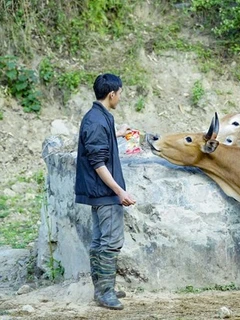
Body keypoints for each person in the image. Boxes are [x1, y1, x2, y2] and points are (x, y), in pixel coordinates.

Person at [75, 73, 136, 310]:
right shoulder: (97, 121)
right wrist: (119, 191)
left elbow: (98, 143)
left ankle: (102, 288)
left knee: (100, 241)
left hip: (99, 191)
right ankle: (105, 292)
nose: (120, 97)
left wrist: (117, 133)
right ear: (112, 94)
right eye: (120, 93)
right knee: (110, 242)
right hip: (104, 192)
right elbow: (98, 162)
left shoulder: (99, 118)